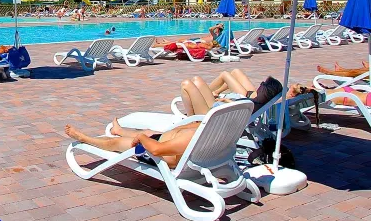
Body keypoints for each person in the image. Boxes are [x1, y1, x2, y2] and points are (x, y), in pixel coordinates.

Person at [65, 119, 199, 169]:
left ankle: (85, 139)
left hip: (157, 155)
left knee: (116, 142)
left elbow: (157, 150)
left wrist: (141, 137)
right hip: (167, 141)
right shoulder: (209, 130)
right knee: (149, 132)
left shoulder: (191, 137)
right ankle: (119, 130)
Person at [179, 69, 298, 116]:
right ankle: (210, 94)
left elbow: (233, 107)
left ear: (263, 92)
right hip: (220, 108)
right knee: (196, 80)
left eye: (263, 85)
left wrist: (223, 100)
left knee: (188, 84)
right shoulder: (254, 104)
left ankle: (192, 119)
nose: (260, 85)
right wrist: (223, 99)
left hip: (213, 114)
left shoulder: (250, 104)